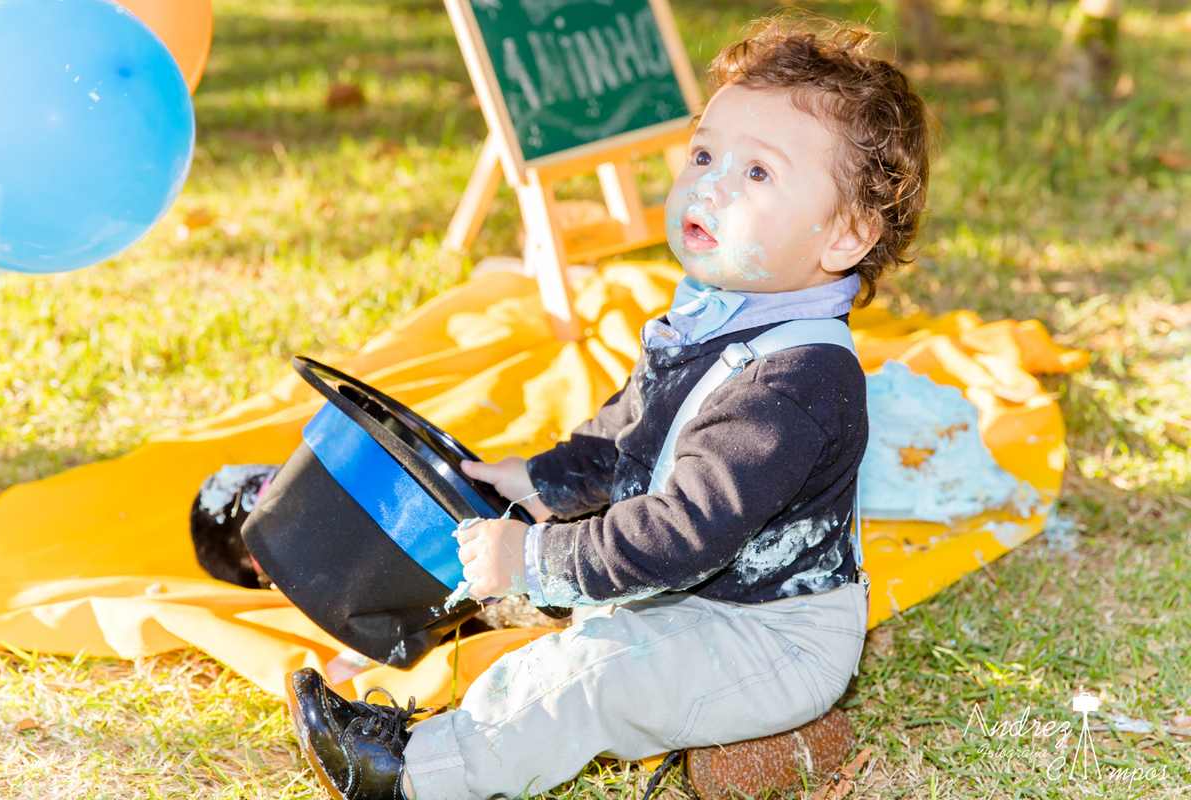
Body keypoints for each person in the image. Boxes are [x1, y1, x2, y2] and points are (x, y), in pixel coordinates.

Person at [286, 15, 933, 800]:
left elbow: (685, 532)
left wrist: (534, 559)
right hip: (688, 592)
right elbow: (631, 430)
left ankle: (414, 775)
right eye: (703, 154)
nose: (709, 184)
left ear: (845, 236)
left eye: (757, 173)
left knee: (591, 677)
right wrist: (537, 481)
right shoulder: (719, 313)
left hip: (769, 640)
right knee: (558, 570)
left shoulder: (796, 385)